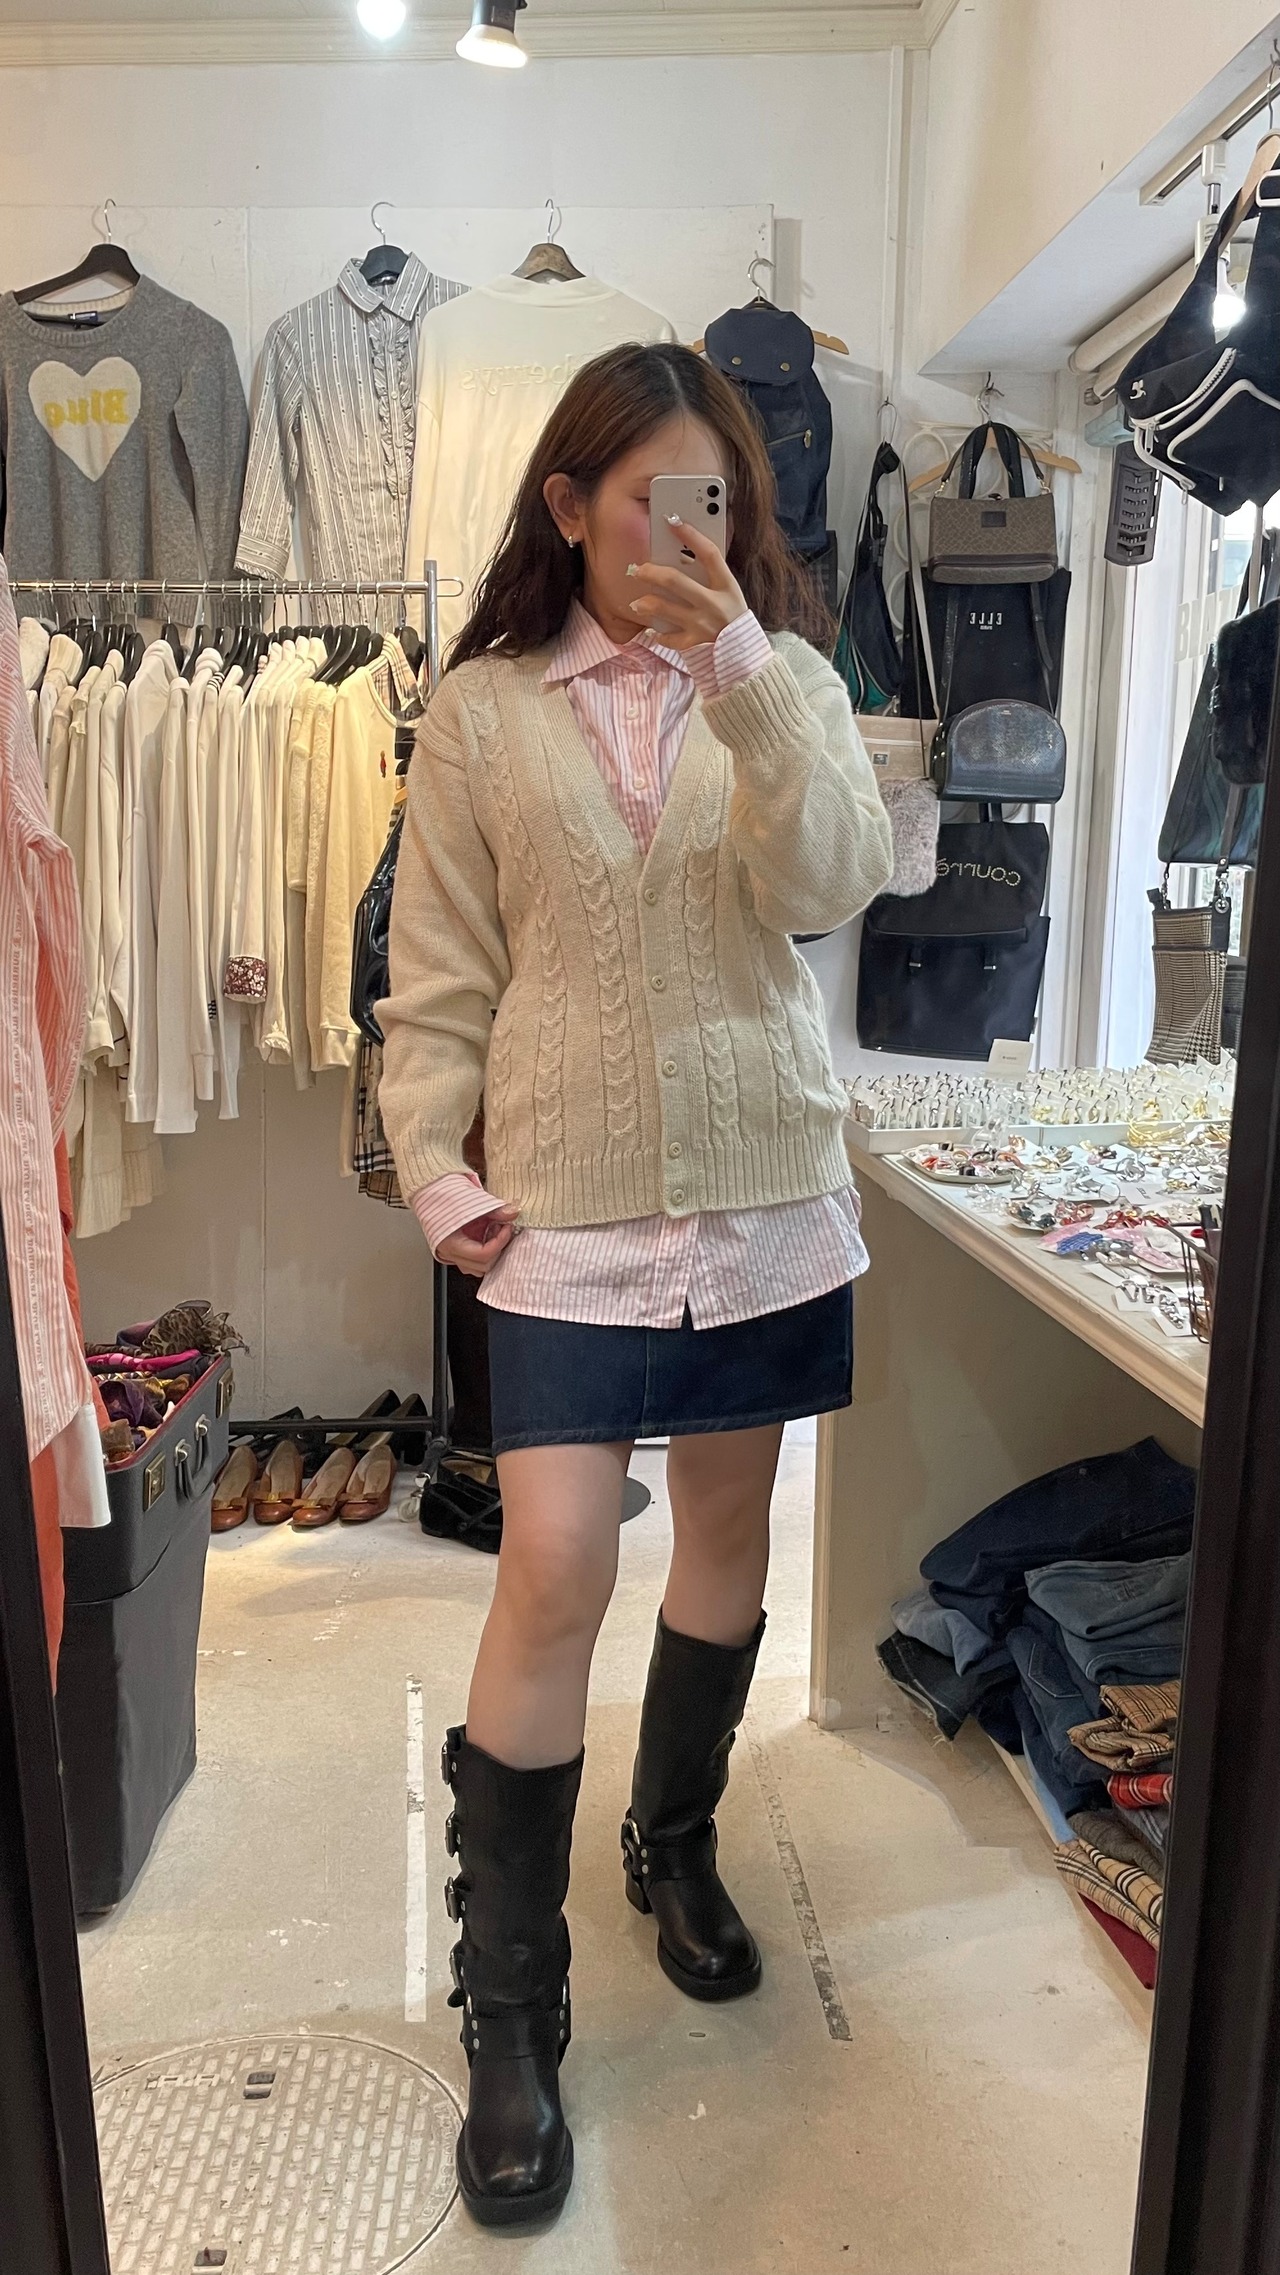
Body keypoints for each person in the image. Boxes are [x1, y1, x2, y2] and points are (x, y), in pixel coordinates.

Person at [378, 340, 893, 2227]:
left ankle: (672, 1841)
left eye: (719, 503)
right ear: (569, 505)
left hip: (763, 1190)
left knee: (733, 1537)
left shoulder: (791, 682)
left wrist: (743, 674)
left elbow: (832, 884)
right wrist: (435, 1162)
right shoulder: (481, 711)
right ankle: (512, 2018)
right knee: (555, 1562)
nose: (692, 532)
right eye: (658, 498)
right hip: (566, 1208)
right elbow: (438, 964)